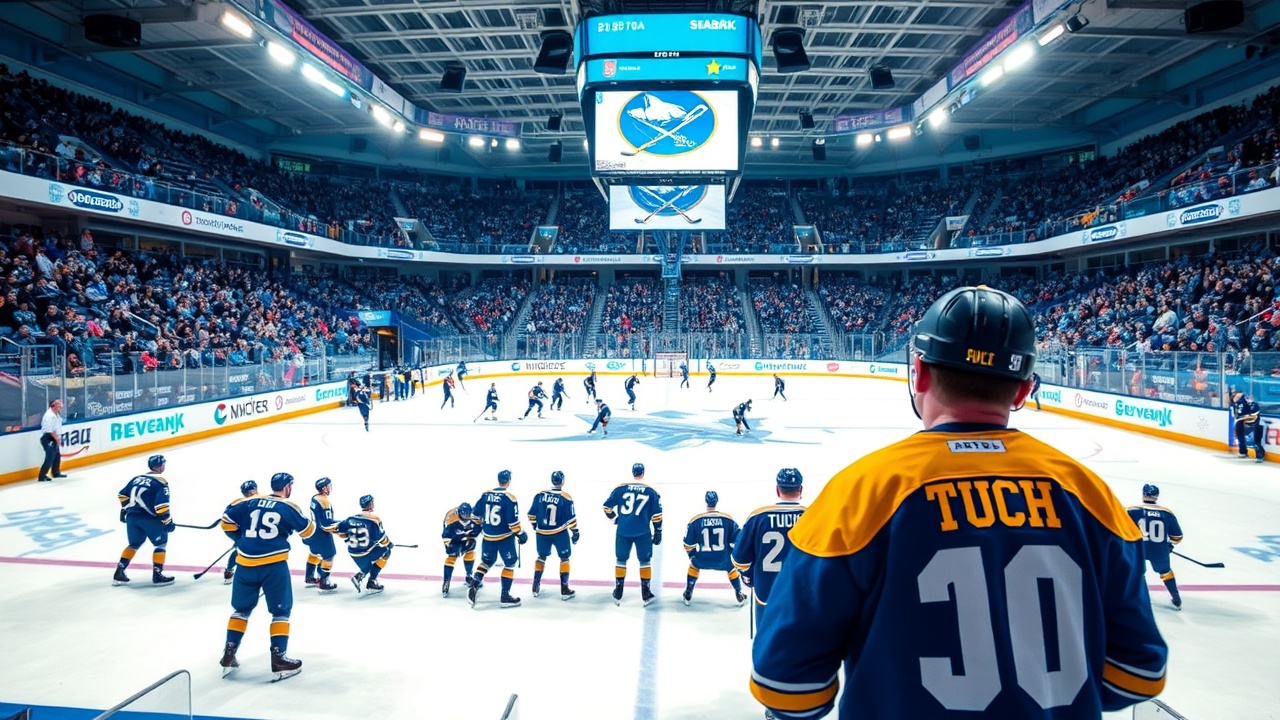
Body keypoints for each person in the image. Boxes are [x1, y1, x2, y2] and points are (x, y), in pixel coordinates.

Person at [748, 286, 1168, 719]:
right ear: (1024, 391)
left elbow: (787, 689)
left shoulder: (858, 494)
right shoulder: (1090, 495)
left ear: (919, 373)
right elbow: (1137, 674)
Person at [218, 471, 314, 681]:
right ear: (287, 487)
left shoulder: (249, 502)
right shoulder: (288, 507)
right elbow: (308, 532)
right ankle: (279, 659)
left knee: (241, 610)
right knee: (281, 611)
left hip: (244, 565)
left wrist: (241, 539)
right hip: (273, 566)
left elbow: (225, 522)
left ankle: (229, 654)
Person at [731, 468, 804, 624]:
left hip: (766, 592)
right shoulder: (813, 516)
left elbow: (739, 559)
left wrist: (749, 575)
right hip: (803, 594)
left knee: (767, 637)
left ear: (777, 490)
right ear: (801, 490)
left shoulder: (758, 517)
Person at [603, 462, 663, 606]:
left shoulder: (620, 489)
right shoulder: (651, 491)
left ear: (633, 472)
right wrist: (658, 531)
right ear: (643, 473)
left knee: (621, 560)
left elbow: (606, 506)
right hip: (643, 532)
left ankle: (618, 591)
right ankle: (645, 593)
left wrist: (615, 519)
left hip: (623, 531)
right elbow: (657, 515)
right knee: (645, 561)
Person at [113, 455, 176, 586]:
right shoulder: (161, 483)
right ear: (161, 467)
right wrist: (167, 521)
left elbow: (122, 495)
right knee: (161, 544)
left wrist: (125, 509)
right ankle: (157, 575)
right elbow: (161, 507)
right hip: (150, 520)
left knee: (134, 544)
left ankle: (119, 571)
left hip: (132, 518)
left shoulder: (136, 479)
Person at [468, 470, 526, 608]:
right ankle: (505, 595)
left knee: (486, 562)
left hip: (488, 537)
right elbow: (513, 523)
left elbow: (474, 515)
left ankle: (474, 585)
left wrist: (482, 526)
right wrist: (521, 534)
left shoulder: (485, 495)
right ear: (509, 481)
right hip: (505, 538)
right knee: (510, 563)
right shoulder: (509, 498)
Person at [682, 491, 746, 606]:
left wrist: (692, 555)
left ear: (705, 502)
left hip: (702, 559)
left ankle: (688, 591)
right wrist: (734, 555)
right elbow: (739, 540)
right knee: (731, 568)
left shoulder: (696, 520)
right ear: (717, 502)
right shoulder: (728, 519)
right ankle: (739, 592)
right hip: (723, 560)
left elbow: (687, 543)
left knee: (694, 565)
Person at [1127, 484, 1185, 610]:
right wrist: (1169, 545)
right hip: (1160, 550)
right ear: (1157, 496)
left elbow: (1121, 531)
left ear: (1144, 494)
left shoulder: (1131, 511)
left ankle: (1144, 599)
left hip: (1138, 548)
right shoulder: (1167, 513)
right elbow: (1177, 537)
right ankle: (1176, 598)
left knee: (1139, 572)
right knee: (1165, 572)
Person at [527, 470, 580, 600]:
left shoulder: (539, 495)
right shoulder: (566, 498)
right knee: (564, 558)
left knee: (541, 557)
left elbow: (531, 515)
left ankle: (535, 585)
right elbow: (571, 519)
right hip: (559, 533)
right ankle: (564, 588)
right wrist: (575, 532)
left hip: (542, 533)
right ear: (562, 481)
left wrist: (536, 526)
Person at [336, 495, 393, 595]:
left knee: (366, 567)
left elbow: (339, 530)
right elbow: (381, 538)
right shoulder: (374, 519)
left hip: (353, 552)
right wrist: (389, 543)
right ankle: (372, 581)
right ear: (370, 505)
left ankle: (361, 575)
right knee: (386, 551)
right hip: (365, 552)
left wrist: (348, 537)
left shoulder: (350, 518)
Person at [303, 477, 340, 593]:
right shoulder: (324, 502)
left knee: (314, 553)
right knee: (329, 555)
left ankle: (309, 576)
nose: (331, 487)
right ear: (324, 488)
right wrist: (341, 525)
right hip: (322, 534)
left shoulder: (314, 498)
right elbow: (326, 524)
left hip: (313, 531)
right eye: (329, 486)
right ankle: (324, 581)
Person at [441, 501, 481, 597]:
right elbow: (446, 536)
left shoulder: (475, 518)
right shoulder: (451, 519)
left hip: (467, 536)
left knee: (470, 551)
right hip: (453, 538)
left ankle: (469, 576)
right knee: (452, 556)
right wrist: (451, 546)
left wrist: (471, 539)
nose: (466, 517)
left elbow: (478, 530)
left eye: (468, 515)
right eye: (464, 515)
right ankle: (446, 581)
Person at [222, 480, 259, 585]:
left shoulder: (258, 499)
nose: (250, 493)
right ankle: (229, 570)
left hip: (241, 528)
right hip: (233, 528)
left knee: (247, 547)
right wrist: (239, 539)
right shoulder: (240, 502)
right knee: (241, 549)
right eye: (248, 491)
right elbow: (227, 519)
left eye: (251, 490)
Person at [1230, 388, 1265, 462]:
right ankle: (1243, 452)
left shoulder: (1254, 404)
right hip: (1242, 422)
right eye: (1236, 396)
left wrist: (1243, 417)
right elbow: (1237, 413)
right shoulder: (1237, 403)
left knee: (1256, 441)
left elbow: (1254, 415)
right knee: (1241, 438)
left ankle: (1259, 456)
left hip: (1254, 424)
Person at [37, 398, 66, 482]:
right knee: (50, 457)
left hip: (53, 437)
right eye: (58, 404)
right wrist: (57, 439)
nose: (61, 405)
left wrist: (58, 438)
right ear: (53, 405)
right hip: (48, 438)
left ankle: (56, 472)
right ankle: (42, 476)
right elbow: (49, 430)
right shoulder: (49, 416)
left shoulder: (56, 415)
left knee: (57, 456)